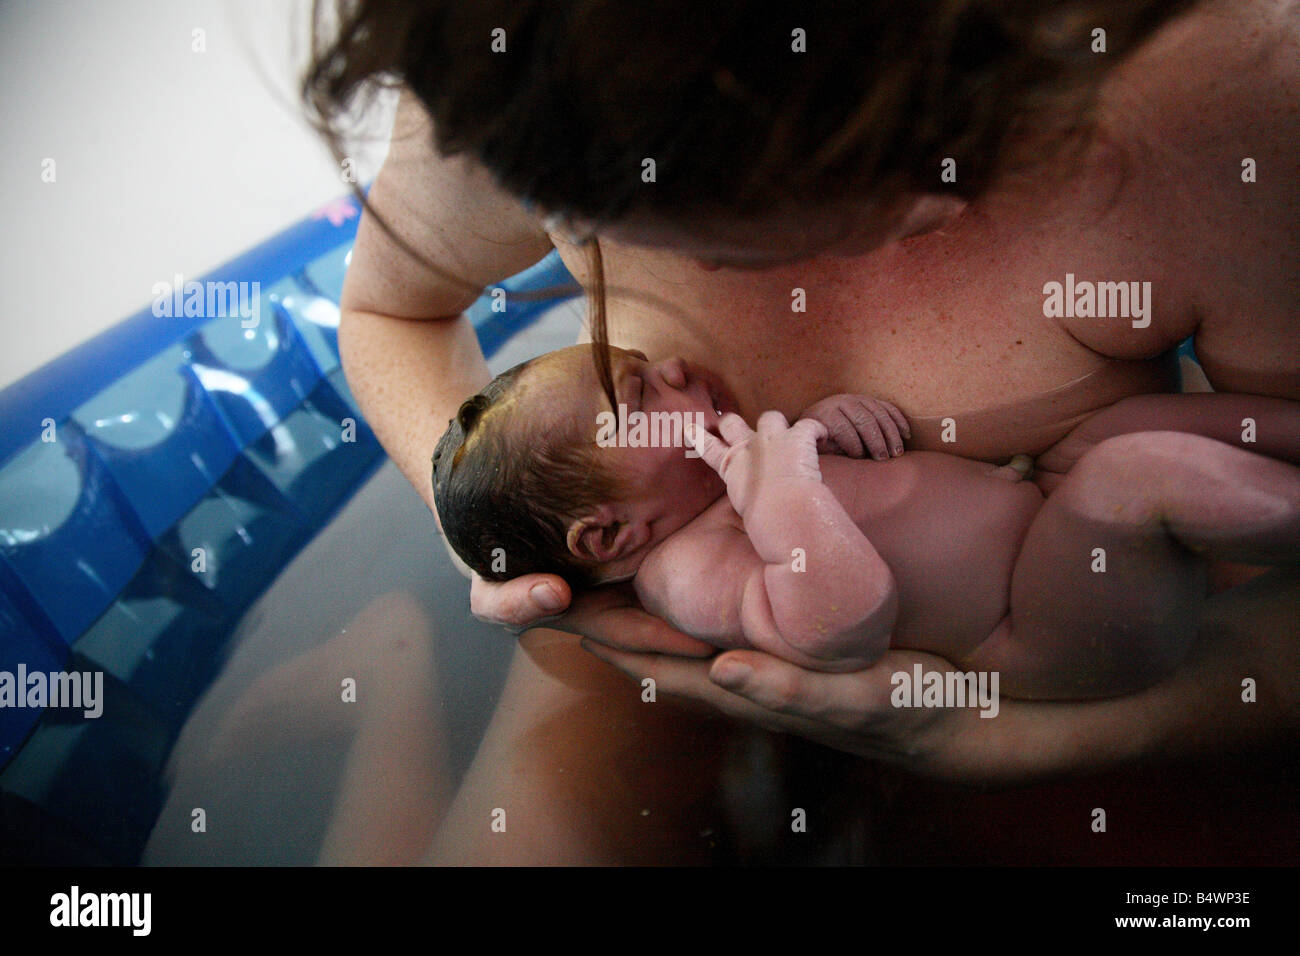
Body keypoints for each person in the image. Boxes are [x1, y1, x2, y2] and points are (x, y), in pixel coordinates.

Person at [311, 0, 1300, 862]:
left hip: (1070, 623)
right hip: (674, 656)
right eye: (843, 175)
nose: (940, 194)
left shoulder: (1229, 87)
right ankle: (394, 681)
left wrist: (1040, 737)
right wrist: (492, 531)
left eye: (961, 113)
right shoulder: (524, 70)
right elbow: (394, 313)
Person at [433, 344, 1300, 696]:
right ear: (611, 534)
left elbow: (847, 490)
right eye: (640, 393)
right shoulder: (685, 573)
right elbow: (843, 625)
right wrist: (787, 490)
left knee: (1120, 427)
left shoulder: (729, 475)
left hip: (1046, 508)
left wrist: (825, 427)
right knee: (1133, 470)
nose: (674, 365)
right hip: (1041, 628)